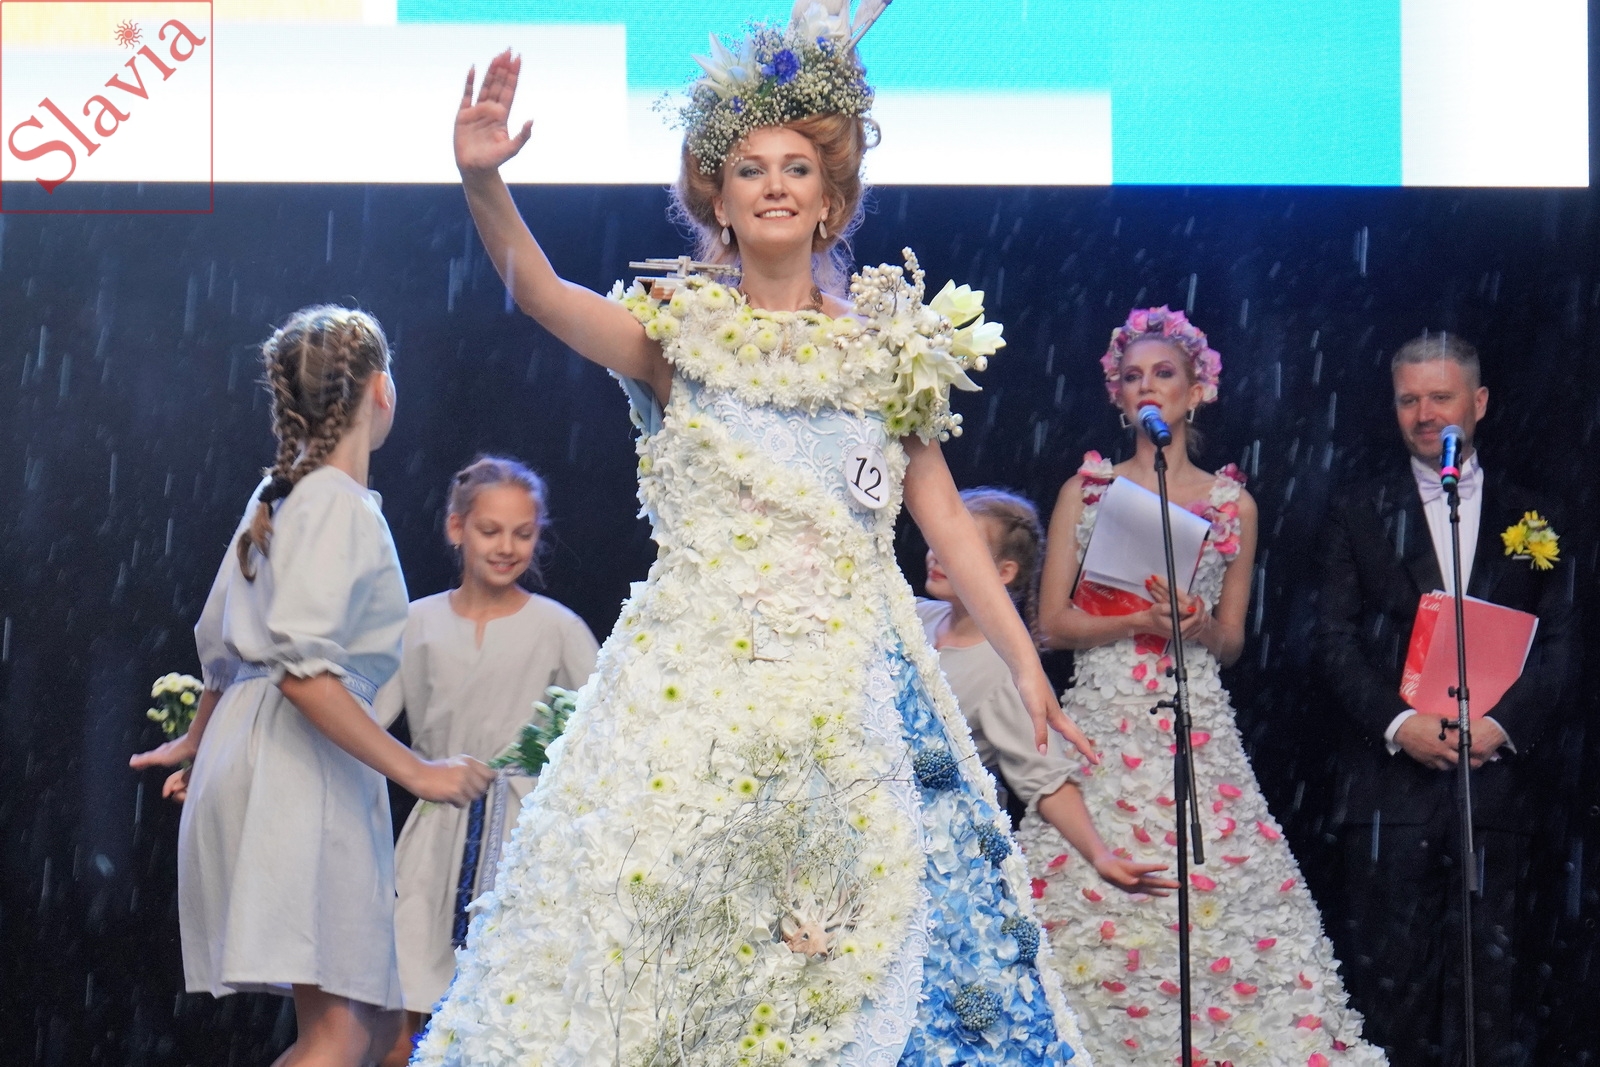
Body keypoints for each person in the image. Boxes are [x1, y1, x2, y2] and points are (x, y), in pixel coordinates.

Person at [411, 7, 1099, 1064]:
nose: (773, 184)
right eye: (748, 168)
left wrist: (1022, 657)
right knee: (668, 939)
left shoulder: (887, 350)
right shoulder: (675, 337)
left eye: (795, 168)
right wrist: (481, 180)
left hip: (853, 685)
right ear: (718, 199)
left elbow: (948, 524)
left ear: (830, 201)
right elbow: (541, 295)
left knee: (859, 941)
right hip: (692, 682)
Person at [1016, 307, 1384, 1067]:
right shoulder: (1085, 491)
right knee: (1086, 892)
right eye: (1132, 376)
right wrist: (1135, 621)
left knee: (1213, 886)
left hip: (1195, 716)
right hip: (1104, 717)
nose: (1147, 386)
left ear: (1197, 391)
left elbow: (1234, 639)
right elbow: (1052, 622)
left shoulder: (1231, 505)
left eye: (1164, 374)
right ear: (1118, 397)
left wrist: (1196, 623)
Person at [129, 306, 493, 1067]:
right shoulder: (332, 502)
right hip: (299, 769)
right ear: (382, 390)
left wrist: (200, 742)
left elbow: (223, 646)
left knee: (379, 1028)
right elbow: (302, 677)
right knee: (343, 1034)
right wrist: (419, 772)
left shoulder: (282, 496)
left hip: (271, 755)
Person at [1313, 332, 1575, 1067]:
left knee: (1489, 993)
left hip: (1496, 789)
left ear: (1478, 402)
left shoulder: (1535, 513)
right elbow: (1331, 638)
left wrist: (1500, 726)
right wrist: (1400, 723)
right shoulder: (1357, 508)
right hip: (1388, 795)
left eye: (1440, 397)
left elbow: (1562, 644)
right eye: (1409, 400)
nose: (1425, 413)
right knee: (1389, 993)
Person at [373, 456, 598, 1066]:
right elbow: (362, 725)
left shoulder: (557, 627)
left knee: (509, 1018)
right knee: (402, 1018)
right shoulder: (416, 622)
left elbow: (607, 727)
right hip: (433, 837)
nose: (506, 547)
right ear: (457, 528)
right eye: (490, 530)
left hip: (525, 841)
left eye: (522, 533)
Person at [920, 486, 1177, 897]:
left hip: (937, 844)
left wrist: (1100, 855)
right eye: (940, 538)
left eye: (960, 544)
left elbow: (1046, 777)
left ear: (1003, 572)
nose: (938, 553)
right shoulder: (915, 617)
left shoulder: (1005, 670)